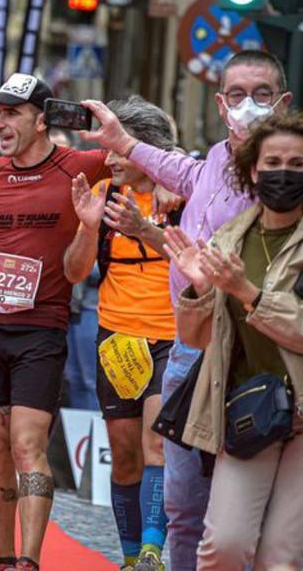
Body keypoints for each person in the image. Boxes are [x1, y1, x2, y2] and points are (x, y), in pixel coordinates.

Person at [79, 49, 291, 570]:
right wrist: (123, 147)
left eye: (261, 96)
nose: (248, 107)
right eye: (237, 96)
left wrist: (235, 287)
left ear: (283, 102)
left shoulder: (287, 171)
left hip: (260, 363)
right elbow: (179, 171)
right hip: (189, 352)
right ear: (220, 104)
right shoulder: (215, 160)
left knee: (255, 533)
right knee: (182, 506)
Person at [0, 73, 110, 571]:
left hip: (41, 326)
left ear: (42, 118)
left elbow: (74, 271)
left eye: (12, 112)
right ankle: (4, 558)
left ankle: (29, 560)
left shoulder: (83, 167)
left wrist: (90, 226)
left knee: (28, 445)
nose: (0, 122)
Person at [165, 113, 303, 569]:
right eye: (274, 162)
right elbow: (199, 337)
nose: (284, 173)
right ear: (252, 171)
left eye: (298, 163)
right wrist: (200, 292)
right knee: (223, 544)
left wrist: (248, 293)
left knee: (280, 557)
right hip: (252, 411)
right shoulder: (229, 237)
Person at [63, 97, 178, 570]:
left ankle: (152, 550)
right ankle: (130, 557)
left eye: (115, 148)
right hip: (116, 340)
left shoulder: (181, 192)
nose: (107, 158)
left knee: (157, 446)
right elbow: (74, 273)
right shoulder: (104, 194)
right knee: (126, 455)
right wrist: (89, 228)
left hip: (172, 337)